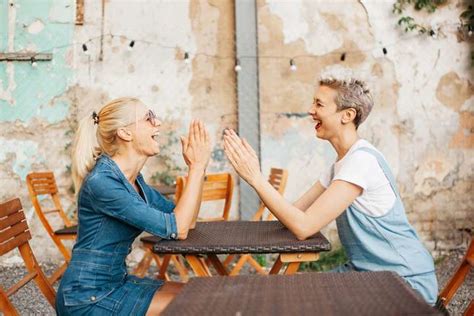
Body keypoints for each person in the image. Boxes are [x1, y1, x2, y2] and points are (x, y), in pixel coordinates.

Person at [223, 78, 438, 305]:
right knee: (290, 292)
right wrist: (254, 177)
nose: (310, 110)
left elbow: (303, 227)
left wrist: (256, 178)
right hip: (367, 274)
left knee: (297, 300)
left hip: (404, 282)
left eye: (319, 104)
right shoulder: (341, 164)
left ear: (347, 115)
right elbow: (295, 213)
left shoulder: (361, 162)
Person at [56, 97, 211, 315]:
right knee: (196, 306)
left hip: (115, 284)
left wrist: (199, 169)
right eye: (149, 117)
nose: (157, 123)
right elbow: (179, 227)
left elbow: (187, 221)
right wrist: (196, 167)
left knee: (199, 295)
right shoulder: (103, 183)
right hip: (88, 297)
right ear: (125, 133)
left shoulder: (133, 181)